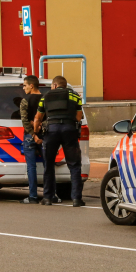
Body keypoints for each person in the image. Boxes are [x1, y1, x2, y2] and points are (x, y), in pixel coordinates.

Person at [33, 75, 85, 207]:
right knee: (74, 165)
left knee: (49, 164)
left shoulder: (45, 97)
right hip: (69, 130)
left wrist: (35, 132)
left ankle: (47, 198)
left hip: (51, 131)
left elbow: (38, 118)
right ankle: (77, 199)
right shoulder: (75, 96)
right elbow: (79, 117)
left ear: (55, 85)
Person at [19, 75, 43, 204]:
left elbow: (24, 120)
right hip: (45, 136)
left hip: (29, 136)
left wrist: (33, 134)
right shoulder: (45, 99)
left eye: (25, 85)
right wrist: (40, 130)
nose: (24, 88)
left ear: (31, 85)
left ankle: (33, 196)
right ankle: (51, 195)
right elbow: (48, 118)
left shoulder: (25, 100)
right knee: (48, 166)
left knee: (31, 167)